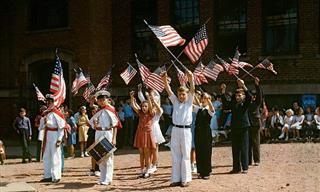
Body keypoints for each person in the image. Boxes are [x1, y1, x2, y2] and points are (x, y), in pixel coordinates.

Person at [162, 69, 194, 187]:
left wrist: (191, 79)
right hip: (175, 129)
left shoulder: (189, 102)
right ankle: (176, 178)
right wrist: (165, 80)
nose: (181, 96)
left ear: (187, 95)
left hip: (186, 130)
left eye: (183, 94)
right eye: (180, 94)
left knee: (186, 154)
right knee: (175, 153)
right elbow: (168, 90)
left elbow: (192, 90)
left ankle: (185, 179)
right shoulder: (175, 101)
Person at [89, 90, 121, 185]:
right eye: (100, 100)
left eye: (103, 99)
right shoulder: (98, 111)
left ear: (107, 99)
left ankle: (108, 178)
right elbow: (92, 124)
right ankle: (102, 178)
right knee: (100, 157)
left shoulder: (110, 109)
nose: (102, 101)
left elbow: (115, 125)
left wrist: (114, 138)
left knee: (108, 157)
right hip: (98, 132)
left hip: (107, 133)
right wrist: (94, 124)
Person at [222, 79, 251, 174]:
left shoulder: (245, 104)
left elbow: (249, 97)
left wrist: (243, 85)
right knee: (235, 148)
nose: (238, 97)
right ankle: (236, 168)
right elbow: (226, 105)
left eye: (240, 95)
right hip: (234, 127)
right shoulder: (233, 104)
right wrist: (223, 91)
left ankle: (245, 167)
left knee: (244, 147)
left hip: (244, 127)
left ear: (243, 96)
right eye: (237, 95)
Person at [137, 89, 165, 174]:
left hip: (155, 129)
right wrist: (139, 91)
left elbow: (159, 109)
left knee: (154, 148)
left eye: (153, 101)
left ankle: (154, 165)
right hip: (147, 130)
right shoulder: (147, 110)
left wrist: (153, 100)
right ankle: (148, 165)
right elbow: (142, 99)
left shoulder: (158, 110)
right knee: (148, 149)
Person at [39, 94, 65, 183]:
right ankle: (47, 175)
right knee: (46, 156)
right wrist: (43, 120)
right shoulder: (46, 113)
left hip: (54, 134)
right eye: (47, 101)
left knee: (55, 156)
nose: (49, 103)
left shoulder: (57, 113)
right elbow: (41, 127)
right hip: (47, 135)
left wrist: (59, 139)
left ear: (54, 102)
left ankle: (56, 176)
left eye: (50, 101)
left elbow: (61, 127)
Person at [130, 91, 156, 178]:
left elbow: (151, 107)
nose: (144, 107)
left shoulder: (151, 113)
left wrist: (148, 97)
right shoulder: (140, 113)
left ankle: (148, 169)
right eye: (143, 106)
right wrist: (132, 98)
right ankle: (142, 170)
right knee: (141, 153)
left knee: (147, 153)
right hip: (140, 133)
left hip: (147, 133)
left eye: (145, 106)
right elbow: (133, 106)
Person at [194, 92, 215, 179]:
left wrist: (208, 100)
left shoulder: (209, 109)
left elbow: (212, 110)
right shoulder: (199, 108)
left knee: (206, 151)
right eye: (202, 98)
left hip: (206, 132)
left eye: (205, 98)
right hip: (198, 131)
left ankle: (207, 172)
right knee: (199, 151)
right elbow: (194, 100)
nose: (203, 99)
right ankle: (200, 171)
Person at [248, 77, 262, 166]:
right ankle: (248, 160)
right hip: (248, 123)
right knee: (248, 143)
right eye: (251, 95)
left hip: (255, 124)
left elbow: (260, 95)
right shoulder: (247, 103)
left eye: (254, 95)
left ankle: (257, 160)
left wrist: (257, 85)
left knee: (255, 142)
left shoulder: (257, 102)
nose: (252, 97)